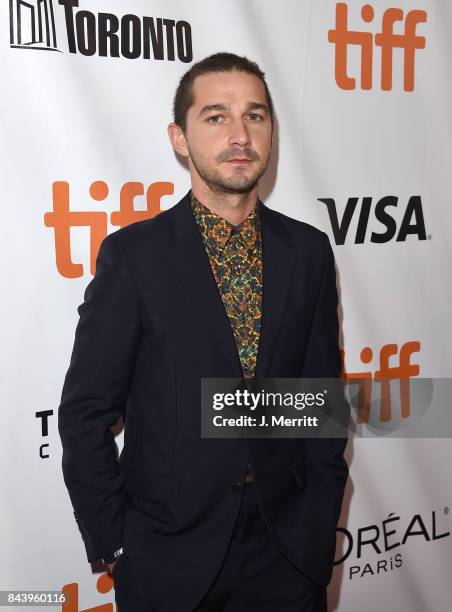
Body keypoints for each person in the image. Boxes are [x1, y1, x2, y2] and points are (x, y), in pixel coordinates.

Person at [58, 52, 349, 612]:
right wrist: (119, 543)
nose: (240, 134)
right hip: (168, 557)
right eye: (216, 117)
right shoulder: (134, 257)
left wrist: (316, 521)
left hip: (287, 555)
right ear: (180, 137)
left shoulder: (308, 252)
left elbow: (320, 402)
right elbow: (85, 412)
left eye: (256, 116)